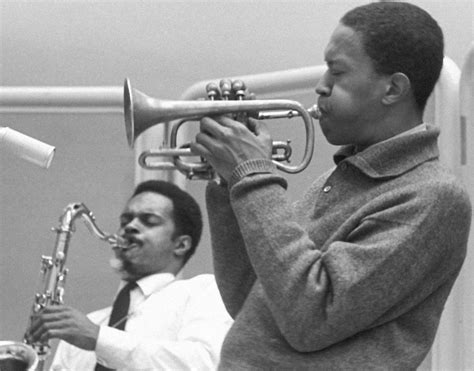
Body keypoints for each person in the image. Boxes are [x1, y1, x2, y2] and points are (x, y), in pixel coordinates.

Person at [190, 2, 472, 370]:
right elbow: (251, 298)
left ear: (393, 89)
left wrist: (253, 173)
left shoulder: (432, 196)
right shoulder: (333, 181)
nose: (320, 86)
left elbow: (311, 317)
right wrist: (229, 185)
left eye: (337, 72)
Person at [28, 180, 233, 370]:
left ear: (181, 244)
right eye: (125, 220)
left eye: (149, 221)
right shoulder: (87, 323)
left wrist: (99, 339)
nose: (130, 227)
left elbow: (205, 363)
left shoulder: (203, 291)